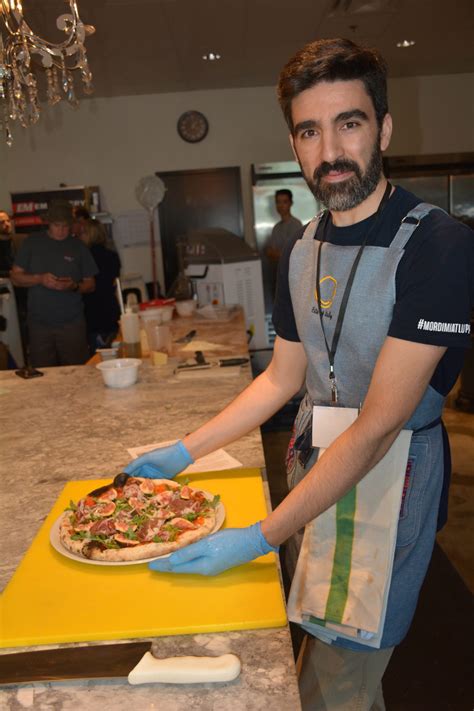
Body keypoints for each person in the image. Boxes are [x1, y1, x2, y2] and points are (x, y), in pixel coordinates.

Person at [122, 38, 473, 709]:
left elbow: (376, 427)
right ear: (294, 140)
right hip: (313, 462)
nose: (330, 151)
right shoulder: (302, 246)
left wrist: (260, 535)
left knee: (343, 666)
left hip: (387, 475)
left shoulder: (438, 245)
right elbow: (283, 378)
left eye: (350, 122)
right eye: (310, 131)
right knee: (322, 642)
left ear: (385, 128)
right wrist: (181, 453)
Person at [10, 200, 97, 367]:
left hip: (72, 323)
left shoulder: (78, 247)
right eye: (57, 225)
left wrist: (74, 286)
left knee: (77, 373)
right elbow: (15, 277)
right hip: (39, 324)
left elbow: (91, 284)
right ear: (48, 223)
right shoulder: (31, 243)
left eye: (66, 226)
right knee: (42, 375)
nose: (62, 231)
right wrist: (40, 279)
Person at [79, 219, 121, 355]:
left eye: (82, 233)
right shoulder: (112, 255)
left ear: (89, 234)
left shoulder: (85, 257)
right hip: (111, 308)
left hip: (94, 313)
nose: (79, 237)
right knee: (114, 351)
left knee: (98, 356)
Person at [265, 189, 302, 296]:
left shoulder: (296, 225)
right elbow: (269, 253)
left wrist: (278, 254)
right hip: (278, 276)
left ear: (291, 203)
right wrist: (278, 254)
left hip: (293, 278)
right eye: (278, 202)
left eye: (284, 202)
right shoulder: (276, 228)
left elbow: (294, 254)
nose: (281, 205)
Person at [0, 210, 14, 277]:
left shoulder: (21, 240)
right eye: (2, 222)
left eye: (8, 221)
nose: (7, 224)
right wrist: (9, 273)